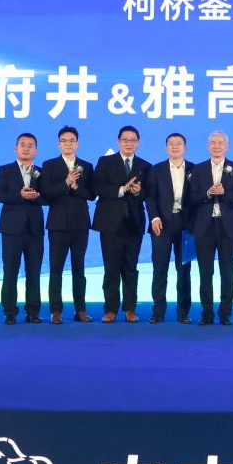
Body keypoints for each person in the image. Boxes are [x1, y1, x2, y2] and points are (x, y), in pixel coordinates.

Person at [92, 126, 149, 323]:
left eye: (133, 140)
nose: (128, 143)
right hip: (110, 223)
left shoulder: (144, 165)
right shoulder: (105, 162)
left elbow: (149, 193)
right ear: (118, 141)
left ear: (138, 143)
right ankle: (110, 309)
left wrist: (139, 191)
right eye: (125, 139)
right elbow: (97, 186)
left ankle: (130, 309)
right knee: (111, 268)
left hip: (134, 223)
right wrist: (121, 190)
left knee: (131, 268)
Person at [40, 126, 96, 323]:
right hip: (57, 224)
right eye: (64, 140)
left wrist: (75, 186)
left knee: (79, 268)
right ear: (58, 144)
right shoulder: (49, 165)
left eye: (71, 140)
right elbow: (46, 193)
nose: (68, 144)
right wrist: (65, 183)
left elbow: (92, 194)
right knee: (56, 269)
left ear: (77, 144)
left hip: (80, 224)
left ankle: (80, 310)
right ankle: (56, 311)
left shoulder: (86, 166)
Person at [188, 131, 233, 325]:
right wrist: (207, 193)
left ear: (226, 147)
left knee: (227, 272)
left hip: (228, 227)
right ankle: (207, 313)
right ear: (208, 146)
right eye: (213, 142)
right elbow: (191, 197)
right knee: (205, 272)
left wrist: (224, 192)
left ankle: (225, 313)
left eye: (221, 143)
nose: (217, 146)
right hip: (204, 226)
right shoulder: (198, 168)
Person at [0, 132, 46, 324]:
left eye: (30, 145)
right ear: (15, 148)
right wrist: (20, 195)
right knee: (10, 271)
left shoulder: (41, 172)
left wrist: (34, 197)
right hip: (11, 229)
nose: (26, 148)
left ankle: (33, 312)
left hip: (34, 229)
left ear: (36, 150)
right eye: (22, 144)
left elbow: (47, 197)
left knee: (34, 272)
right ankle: (10, 312)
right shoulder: (5, 170)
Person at [146, 133, 195, 324]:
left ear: (185, 147)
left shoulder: (194, 169)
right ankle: (158, 312)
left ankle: (183, 313)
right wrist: (154, 217)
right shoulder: (156, 169)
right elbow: (150, 197)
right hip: (162, 225)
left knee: (184, 271)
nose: (175, 147)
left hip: (186, 226)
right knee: (160, 269)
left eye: (179, 144)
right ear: (166, 147)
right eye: (171, 144)